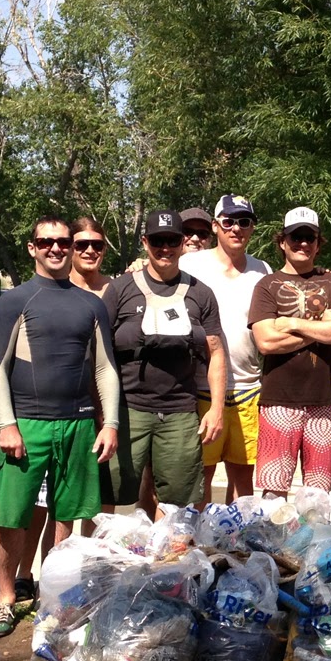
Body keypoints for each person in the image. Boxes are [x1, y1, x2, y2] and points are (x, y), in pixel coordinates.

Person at [0, 216, 120, 639]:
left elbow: (105, 369)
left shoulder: (91, 304)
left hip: (78, 423)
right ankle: (6, 598)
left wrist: (110, 423)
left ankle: (53, 597)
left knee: (66, 515)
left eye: (64, 242)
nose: (56, 248)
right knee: (12, 517)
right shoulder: (15, 301)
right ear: (32, 247)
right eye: (46, 242)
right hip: (27, 424)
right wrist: (7, 424)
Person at [101, 209, 226, 512]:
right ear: (145, 242)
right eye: (158, 241)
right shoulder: (120, 289)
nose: (165, 248)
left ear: (183, 243)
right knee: (110, 491)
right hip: (127, 408)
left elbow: (216, 353)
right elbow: (99, 353)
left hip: (180, 410)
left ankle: (165, 546)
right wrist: (101, 413)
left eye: (172, 240)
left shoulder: (201, 294)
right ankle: (101, 544)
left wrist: (216, 409)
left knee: (176, 502)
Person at [248, 206, 331, 497]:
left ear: (319, 244)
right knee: (274, 491)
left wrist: (293, 324)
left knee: (317, 495)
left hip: (325, 400)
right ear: (283, 242)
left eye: (310, 238)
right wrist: (323, 326)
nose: (303, 244)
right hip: (278, 400)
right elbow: (266, 342)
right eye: (296, 237)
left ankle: (312, 531)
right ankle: (272, 531)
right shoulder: (267, 285)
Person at [180, 195, 271, 505]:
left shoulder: (262, 270)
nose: (236, 228)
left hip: (248, 388)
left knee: (243, 478)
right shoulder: (190, 265)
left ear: (252, 228)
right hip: (201, 388)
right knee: (200, 477)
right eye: (229, 221)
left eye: (244, 222)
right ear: (215, 226)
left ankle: (237, 537)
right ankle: (199, 535)